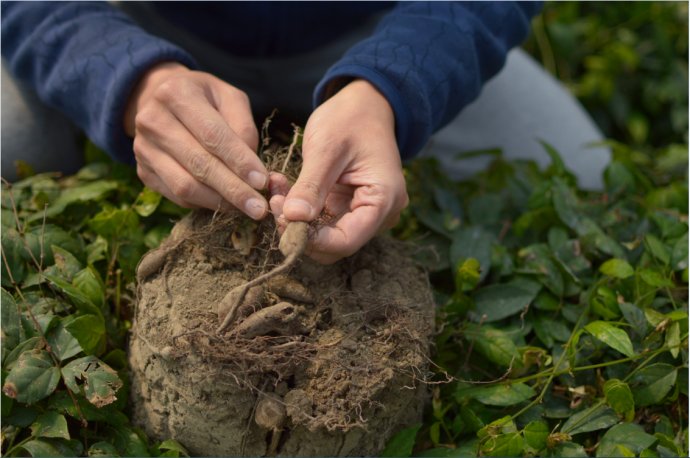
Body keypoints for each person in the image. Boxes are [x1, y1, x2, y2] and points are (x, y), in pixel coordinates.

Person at [1, 2, 609, 264]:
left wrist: (391, 86)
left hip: (383, 25)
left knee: (583, 173)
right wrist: (124, 73)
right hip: (151, 23)